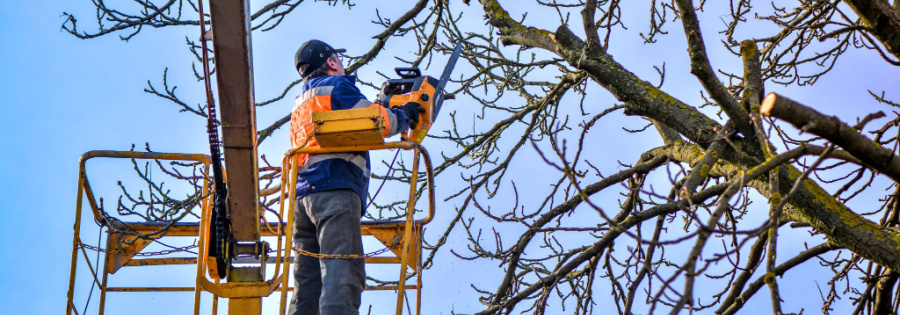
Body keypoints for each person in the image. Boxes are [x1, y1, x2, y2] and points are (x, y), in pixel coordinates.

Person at [288, 39, 424, 315]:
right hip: (334, 190)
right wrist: (404, 114)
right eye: (338, 57)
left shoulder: (301, 102)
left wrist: (379, 104)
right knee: (342, 270)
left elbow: (352, 120)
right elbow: (376, 122)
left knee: (307, 282)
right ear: (331, 62)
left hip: (301, 198)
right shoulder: (338, 86)